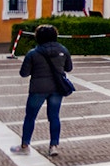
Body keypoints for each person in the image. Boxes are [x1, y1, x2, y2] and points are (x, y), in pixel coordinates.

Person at [11, 24, 72, 157]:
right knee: (54, 117)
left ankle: (25, 145)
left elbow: (24, 73)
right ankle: (54, 146)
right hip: (57, 88)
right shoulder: (63, 50)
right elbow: (68, 68)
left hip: (38, 89)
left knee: (30, 117)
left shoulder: (33, 53)